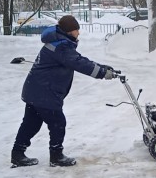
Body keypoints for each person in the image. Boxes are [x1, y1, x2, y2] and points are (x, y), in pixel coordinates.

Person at [11, 15, 116, 168]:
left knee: (31, 124)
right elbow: (78, 63)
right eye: (76, 30)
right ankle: (56, 156)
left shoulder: (58, 41)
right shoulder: (61, 46)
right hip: (44, 92)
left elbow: (79, 59)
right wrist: (101, 73)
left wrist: (102, 67)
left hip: (36, 90)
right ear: (68, 31)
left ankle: (17, 154)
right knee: (58, 123)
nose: (78, 33)